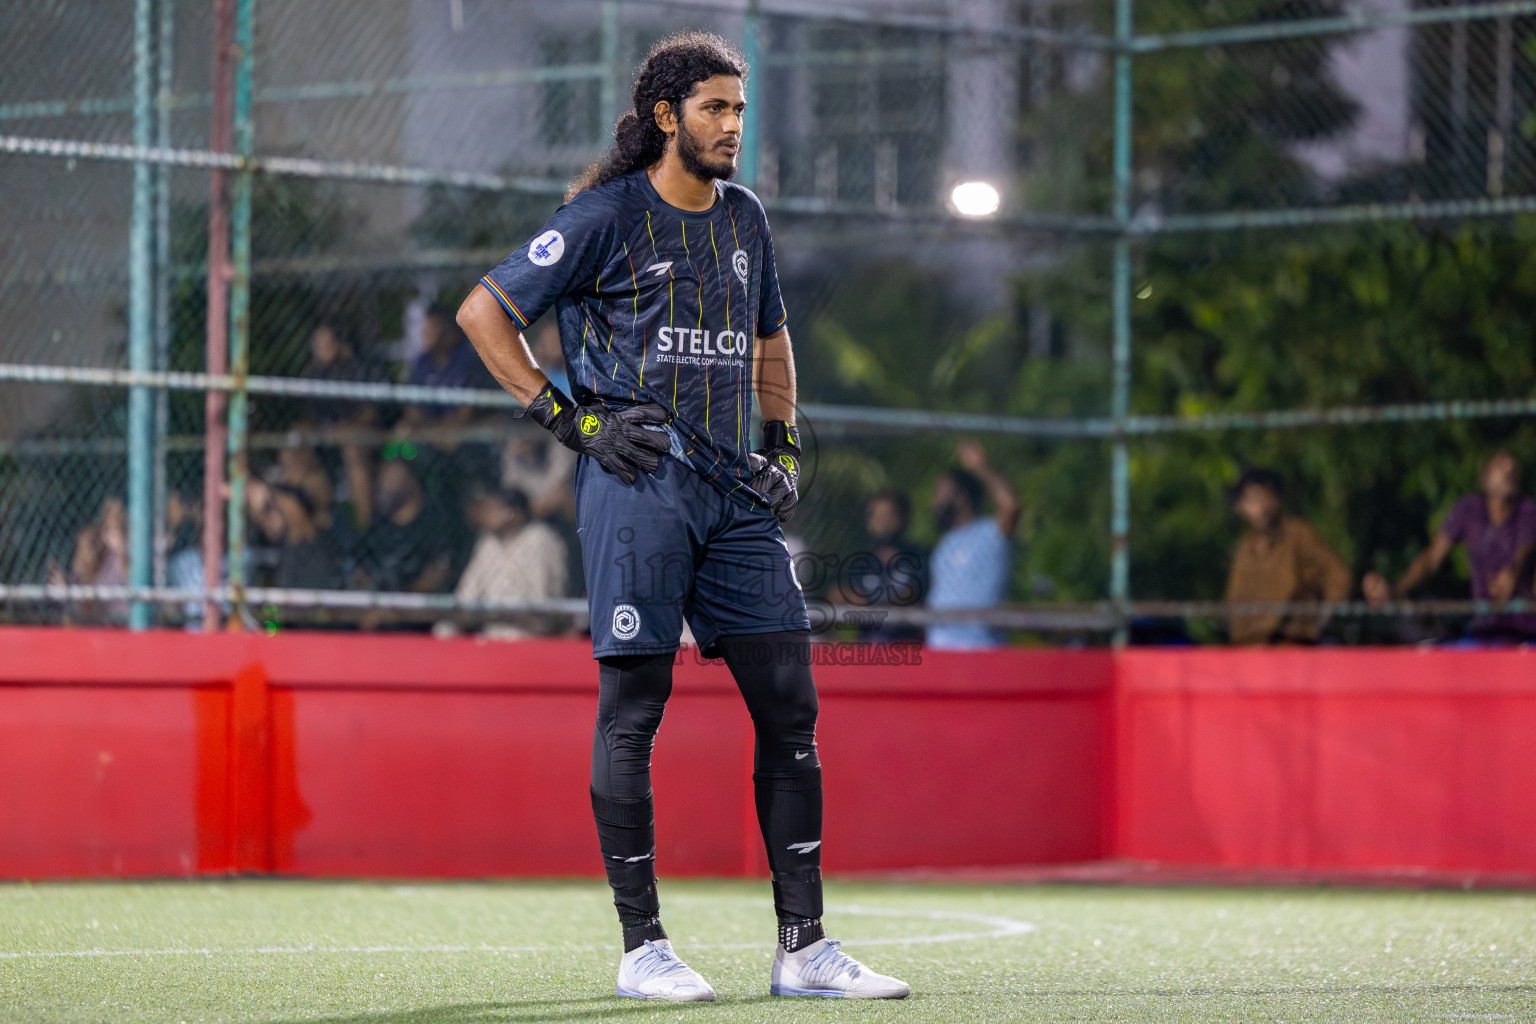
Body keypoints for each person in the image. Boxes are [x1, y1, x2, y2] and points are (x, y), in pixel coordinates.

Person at [455, 32, 908, 1002]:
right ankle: (643, 949)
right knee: (635, 711)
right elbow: (484, 314)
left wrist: (782, 447)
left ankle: (805, 949)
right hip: (636, 489)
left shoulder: (746, 221)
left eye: (740, 110)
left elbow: (772, 339)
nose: (732, 126)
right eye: (714, 108)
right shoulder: (602, 218)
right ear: (667, 116)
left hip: (735, 498)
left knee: (792, 704)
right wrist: (571, 420)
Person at [1363, 451, 1536, 642]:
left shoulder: (1527, 511)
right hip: (1484, 629)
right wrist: (1396, 591)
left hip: (1524, 631)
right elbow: (1432, 559)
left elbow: (1524, 550)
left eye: (1513, 468)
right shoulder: (1470, 509)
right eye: (1501, 465)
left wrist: (1512, 574)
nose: (1509, 470)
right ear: (1484, 478)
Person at [1224, 468, 1351, 645]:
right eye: (1253, 499)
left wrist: (1319, 624)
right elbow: (1234, 604)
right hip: (1249, 652)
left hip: (1292, 649)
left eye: (1268, 496)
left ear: (1278, 500)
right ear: (1241, 506)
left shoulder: (1297, 535)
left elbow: (1338, 577)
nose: (1262, 506)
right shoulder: (1244, 549)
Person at [925, 440, 1020, 650]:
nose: (934, 501)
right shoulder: (944, 544)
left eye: (940, 492)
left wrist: (982, 467)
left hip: (979, 648)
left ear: (960, 495)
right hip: (941, 649)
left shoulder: (989, 532)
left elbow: (1011, 506)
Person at [442, 487, 568, 639]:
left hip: (530, 637)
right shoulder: (488, 542)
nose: (484, 513)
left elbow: (539, 608)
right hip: (492, 634)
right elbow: (466, 597)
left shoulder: (539, 538)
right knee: (444, 632)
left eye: (492, 506)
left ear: (514, 513)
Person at [352, 457, 454, 629]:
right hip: (373, 623)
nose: (384, 485)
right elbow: (360, 568)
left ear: (411, 481)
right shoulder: (378, 527)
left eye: (391, 477)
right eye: (382, 478)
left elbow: (438, 574)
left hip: (417, 625)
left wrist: (393, 609)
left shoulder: (434, 525)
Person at [298, 320, 382, 528]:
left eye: (325, 342)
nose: (320, 349)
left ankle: (365, 528)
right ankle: (318, 526)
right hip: (327, 440)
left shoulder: (359, 369)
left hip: (363, 440)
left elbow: (370, 415)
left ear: (339, 344)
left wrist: (343, 431)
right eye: (317, 344)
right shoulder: (315, 376)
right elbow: (309, 420)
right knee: (295, 453)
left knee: (352, 450)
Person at [831, 490, 927, 643]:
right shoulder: (863, 560)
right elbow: (837, 592)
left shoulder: (917, 557)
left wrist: (868, 603)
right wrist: (861, 600)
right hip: (869, 651)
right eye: (875, 516)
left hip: (910, 650)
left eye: (888, 515)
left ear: (902, 518)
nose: (881, 522)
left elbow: (911, 594)